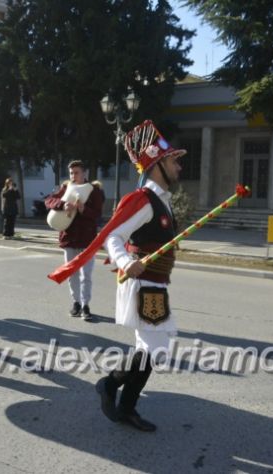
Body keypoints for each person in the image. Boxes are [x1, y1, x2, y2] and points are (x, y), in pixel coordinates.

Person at [47, 120, 185, 431]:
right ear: (157, 164)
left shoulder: (162, 200)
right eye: (174, 160)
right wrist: (125, 261)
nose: (179, 165)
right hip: (144, 283)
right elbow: (113, 237)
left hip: (157, 284)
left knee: (150, 350)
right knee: (153, 350)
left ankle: (126, 406)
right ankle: (110, 385)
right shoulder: (144, 200)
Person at [45, 161, 104, 321]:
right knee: (72, 274)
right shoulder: (66, 188)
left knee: (86, 275)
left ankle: (85, 305)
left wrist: (83, 209)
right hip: (69, 238)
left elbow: (98, 214)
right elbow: (49, 200)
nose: (73, 176)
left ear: (84, 173)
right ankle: (76, 303)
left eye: (76, 172)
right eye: (71, 173)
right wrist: (62, 205)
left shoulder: (94, 191)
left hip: (87, 239)